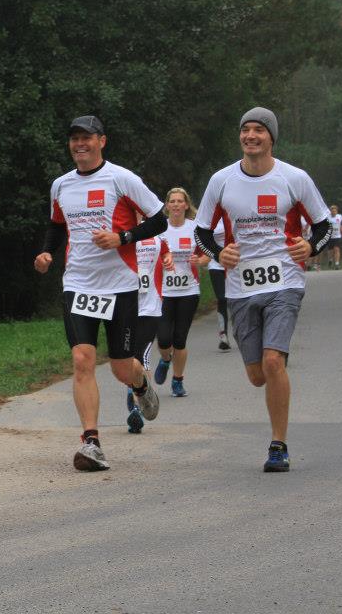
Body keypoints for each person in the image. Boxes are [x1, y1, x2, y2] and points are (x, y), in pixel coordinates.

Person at [195, 107, 330, 472]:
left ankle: (278, 445)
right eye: (246, 129)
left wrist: (311, 247)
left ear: (271, 137)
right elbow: (202, 232)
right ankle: (272, 374)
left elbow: (324, 225)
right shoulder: (221, 180)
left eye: (259, 130)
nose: (250, 135)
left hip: (285, 280)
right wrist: (218, 253)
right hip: (241, 286)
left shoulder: (294, 178)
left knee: (273, 361)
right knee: (257, 375)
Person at [34, 115, 164, 471]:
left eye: (86, 138)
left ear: (101, 141)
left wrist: (122, 238)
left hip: (120, 285)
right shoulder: (61, 185)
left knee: (122, 368)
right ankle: (91, 442)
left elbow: (159, 219)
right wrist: (46, 253)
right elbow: (56, 226)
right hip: (78, 284)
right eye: (74, 139)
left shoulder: (122, 179)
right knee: (82, 359)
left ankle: (140, 384)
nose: (80, 144)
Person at [153, 187, 210, 398]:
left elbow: (207, 254)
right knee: (163, 339)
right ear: (167, 206)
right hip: (163, 292)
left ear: (186, 205)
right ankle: (165, 359)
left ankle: (177, 381)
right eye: (172, 201)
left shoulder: (195, 228)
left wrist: (200, 261)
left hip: (188, 290)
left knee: (179, 340)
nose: (176, 204)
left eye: (180, 201)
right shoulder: (159, 228)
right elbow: (148, 253)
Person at [125, 228, 172, 433]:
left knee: (141, 357)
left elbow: (166, 252)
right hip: (125, 309)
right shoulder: (118, 235)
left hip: (150, 308)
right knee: (127, 359)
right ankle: (134, 388)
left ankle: (138, 407)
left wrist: (168, 259)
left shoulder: (155, 236)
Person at [207, 219, 232, 349]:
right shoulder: (211, 217)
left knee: (238, 299)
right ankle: (223, 335)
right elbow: (203, 238)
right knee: (222, 298)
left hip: (235, 264)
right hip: (216, 264)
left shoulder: (233, 213)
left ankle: (243, 331)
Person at [325, 204, 342, 269]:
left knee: (336, 249)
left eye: (335, 211)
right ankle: (330, 260)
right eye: (332, 211)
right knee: (330, 250)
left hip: (337, 236)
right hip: (330, 236)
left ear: (337, 211)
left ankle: (337, 264)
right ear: (330, 211)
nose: (334, 212)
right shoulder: (327, 217)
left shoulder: (340, 216)